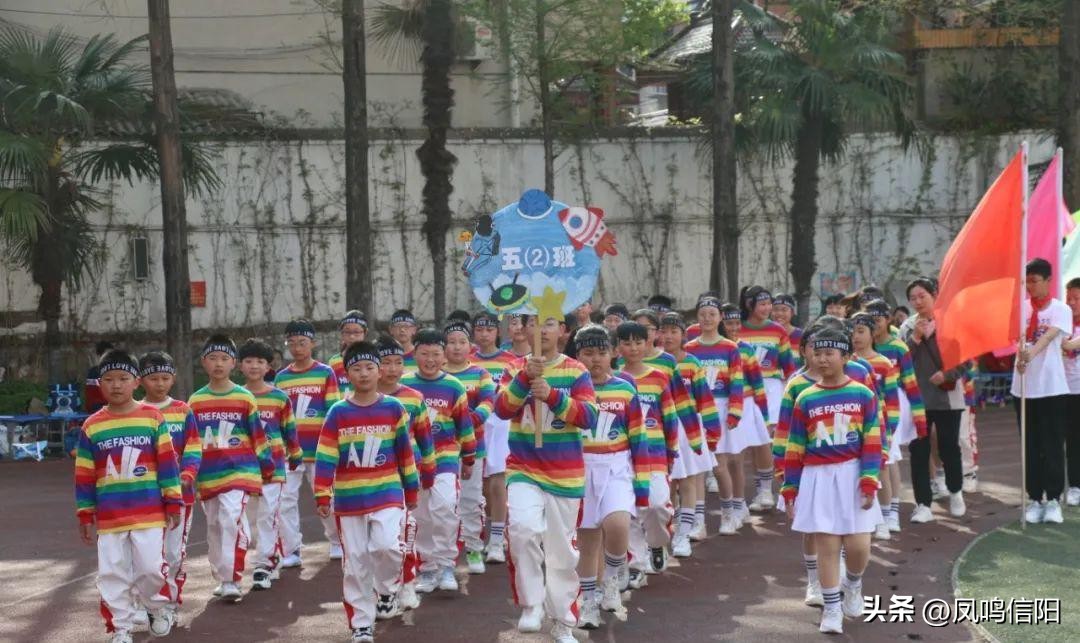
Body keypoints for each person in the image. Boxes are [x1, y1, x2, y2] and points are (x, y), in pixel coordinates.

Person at [493, 314, 597, 643]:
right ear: (524, 329)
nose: (542, 330)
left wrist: (552, 395)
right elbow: (501, 409)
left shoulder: (576, 370)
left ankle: (563, 621)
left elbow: (588, 416)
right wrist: (524, 379)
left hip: (564, 474)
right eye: (535, 323)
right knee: (522, 530)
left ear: (563, 331)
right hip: (524, 467)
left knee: (561, 552)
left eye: (550, 323)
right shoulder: (514, 368)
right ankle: (531, 603)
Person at [313, 340, 420, 643]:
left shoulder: (393, 408)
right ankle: (362, 622)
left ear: (379, 370)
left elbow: (404, 454)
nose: (364, 373)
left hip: (387, 493)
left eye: (370, 367)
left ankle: (386, 588)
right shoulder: (338, 412)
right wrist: (322, 493)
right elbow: (326, 455)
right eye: (356, 368)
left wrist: (411, 489)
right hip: (349, 500)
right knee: (356, 562)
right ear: (347, 374)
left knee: (387, 547)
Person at [75, 349, 183, 642]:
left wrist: (173, 500)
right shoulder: (92, 425)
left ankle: (157, 608)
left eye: (123, 378)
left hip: (149, 512)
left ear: (136, 381)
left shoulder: (152, 417)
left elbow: (167, 463)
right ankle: (120, 628)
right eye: (108, 379)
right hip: (110, 518)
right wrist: (85, 513)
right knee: (112, 574)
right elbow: (84, 474)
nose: (116, 384)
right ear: (100, 384)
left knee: (150, 569)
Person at [782, 328, 882, 635]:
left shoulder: (863, 394)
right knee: (826, 545)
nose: (822, 359)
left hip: (853, 472)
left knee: (859, 545)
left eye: (830, 353)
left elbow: (872, 441)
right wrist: (791, 489)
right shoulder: (805, 397)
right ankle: (832, 608)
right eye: (818, 353)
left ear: (846, 357)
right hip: (817, 475)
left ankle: (852, 583)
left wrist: (868, 480)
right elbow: (795, 445)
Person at [574, 324, 650, 628]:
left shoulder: (625, 388)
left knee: (618, 524)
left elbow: (639, 439)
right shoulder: (572, 391)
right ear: (577, 355)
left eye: (602, 352)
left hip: (617, 465)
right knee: (588, 539)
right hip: (580, 468)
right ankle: (589, 601)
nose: (596, 359)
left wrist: (642, 484)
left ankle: (614, 575)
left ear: (612, 353)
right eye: (588, 353)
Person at [188, 335, 274, 600]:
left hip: (240, 471)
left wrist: (266, 464)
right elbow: (190, 441)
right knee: (214, 526)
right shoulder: (195, 401)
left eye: (224, 359)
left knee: (231, 519)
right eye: (213, 358)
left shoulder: (244, 397)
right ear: (204, 362)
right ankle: (222, 574)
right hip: (208, 475)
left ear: (233, 363)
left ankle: (232, 578)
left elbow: (257, 434)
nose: (218, 364)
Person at [617, 320, 702, 569]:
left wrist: (673, 450)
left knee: (656, 505)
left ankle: (656, 542)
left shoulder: (659, 377)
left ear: (648, 343)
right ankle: (636, 562)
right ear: (618, 347)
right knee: (629, 509)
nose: (633, 348)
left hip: (655, 455)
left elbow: (670, 416)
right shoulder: (615, 379)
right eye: (626, 343)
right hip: (624, 456)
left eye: (638, 342)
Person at [401, 328, 477, 594]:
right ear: (415, 354)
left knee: (445, 506)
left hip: (445, 457)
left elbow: (464, 426)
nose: (430, 359)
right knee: (420, 513)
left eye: (435, 353)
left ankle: (447, 564)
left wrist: (468, 457)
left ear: (444, 355)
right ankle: (428, 567)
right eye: (424, 353)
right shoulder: (405, 385)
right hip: (416, 461)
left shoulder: (453, 386)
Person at [897, 279, 969, 524]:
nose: (918, 302)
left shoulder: (952, 321)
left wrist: (948, 375)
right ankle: (923, 504)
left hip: (947, 396)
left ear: (935, 295)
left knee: (949, 446)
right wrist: (915, 338)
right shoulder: (907, 327)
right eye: (913, 298)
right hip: (917, 399)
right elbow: (900, 361)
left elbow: (967, 357)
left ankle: (956, 491)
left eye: (922, 296)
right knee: (919, 451)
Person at [137, 351, 201, 617]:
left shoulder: (183, 410)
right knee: (145, 555)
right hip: (146, 498)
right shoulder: (136, 412)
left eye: (165, 377)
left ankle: (171, 602)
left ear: (173, 378)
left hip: (180, 497)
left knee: (174, 554)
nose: (159, 383)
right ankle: (145, 602)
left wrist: (187, 473)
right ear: (140, 380)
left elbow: (194, 447)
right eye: (153, 378)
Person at [274, 319, 343, 566]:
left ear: (312, 343)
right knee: (285, 501)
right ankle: (291, 550)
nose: (297, 347)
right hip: (290, 451)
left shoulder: (326, 373)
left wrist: (331, 447)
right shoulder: (281, 378)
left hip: (319, 450)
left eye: (302, 342)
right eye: (291, 342)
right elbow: (278, 415)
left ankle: (337, 541)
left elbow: (334, 411)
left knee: (327, 497)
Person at [375, 335, 435, 611]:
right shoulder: (360, 398)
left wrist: (429, 470)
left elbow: (425, 439)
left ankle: (408, 581)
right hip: (369, 480)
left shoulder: (414, 398)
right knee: (375, 542)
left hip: (404, 478)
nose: (393, 368)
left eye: (398, 362)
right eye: (385, 362)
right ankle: (381, 588)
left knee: (404, 531)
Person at [238, 338, 302, 590]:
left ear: (268, 367)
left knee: (268, 516)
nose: (254, 366)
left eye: (260, 362)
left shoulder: (279, 398)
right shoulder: (236, 397)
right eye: (249, 361)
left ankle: (264, 564)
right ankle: (251, 560)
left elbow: (289, 429)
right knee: (248, 520)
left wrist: (295, 453)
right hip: (243, 468)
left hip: (274, 467)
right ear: (240, 365)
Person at [1011, 258, 1071, 524]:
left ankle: (1054, 499)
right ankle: (1035, 498)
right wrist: (1020, 357)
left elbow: (1047, 338)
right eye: (1028, 282)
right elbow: (1016, 340)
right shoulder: (1020, 309)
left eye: (1035, 281)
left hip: (1051, 387)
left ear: (1048, 281)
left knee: (1053, 444)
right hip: (1024, 388)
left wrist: (1028, 355)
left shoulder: (1061, 309)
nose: (1031, 287)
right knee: (1031, 445)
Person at [658, 311, 724, 538]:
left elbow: (704, 398)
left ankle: (696, 523)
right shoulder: (653, 363)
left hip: (688, 428)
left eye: (673, 332)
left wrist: (711, 429)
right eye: (663, 331)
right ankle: (673, 526)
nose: (668, 336)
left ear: (683, 335)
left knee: (691, 475)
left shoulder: (691, 363)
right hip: (662, 427)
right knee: (669, 482)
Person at [684, 297, 745, 536]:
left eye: (712, 314)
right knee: (698, 468)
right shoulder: (689, 349)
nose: (707, 319)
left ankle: (728, 513)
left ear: (720, 317)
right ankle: (698, 522)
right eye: (702, 314)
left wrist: (735, 410)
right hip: (695, 411)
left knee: (720, 467)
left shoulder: (730, 348)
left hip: (720, 409)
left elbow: (737, 381)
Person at [442, 320, 496, 574]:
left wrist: (468, 421)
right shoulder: (437, 375)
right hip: (442, 451)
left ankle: (474, 547)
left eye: (462, 342)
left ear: (470, 346)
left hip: (474, 449)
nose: (456, 347)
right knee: (443, 504)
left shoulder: (479, 374)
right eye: (451, 342)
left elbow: (488, 402)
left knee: (471, 500)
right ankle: (444, 556)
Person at [869, 300, 927, 525]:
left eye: (878, 319)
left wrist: (919, 416)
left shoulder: (898, 347)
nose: (875, 324)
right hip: (868, 411)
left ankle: (892, 508)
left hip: (893, 407)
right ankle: (879, 507)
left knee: (890, 458)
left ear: (888, 320)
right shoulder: (862, 348)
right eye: (870, 320)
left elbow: (911, 382)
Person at [470, 311, 518, 562]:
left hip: (501, 424)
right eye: (479, 329)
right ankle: (488, 530)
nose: (485, 334)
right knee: (481, 483)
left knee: (498, 478)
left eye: (489, 329)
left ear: (497, 332)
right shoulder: (467, 361)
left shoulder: (510, 360)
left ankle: (498, 540)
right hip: (475, 425)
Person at [850, 313, 901, 539]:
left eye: (861, 331)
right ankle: (868, 518)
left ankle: (887, 518)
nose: (856, 337)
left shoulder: (883, 363)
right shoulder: (847, 364)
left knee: (882, 469)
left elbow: (891, 399)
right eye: (852, 332)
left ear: (872, 334)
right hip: (854, 425)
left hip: (878, 425)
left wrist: (890, 427)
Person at [721, 303, 774, 518]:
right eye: (728, 323)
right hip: (717, 408)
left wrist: (765, 416)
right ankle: (735, 502)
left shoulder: (746, 349)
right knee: (723, 461)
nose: (733, 328)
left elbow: (757, 383)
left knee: (737, 458)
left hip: (744, 407)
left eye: (736, 323)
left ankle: (739, 502)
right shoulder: (711, 349)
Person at [1063, 278, 1080, 506]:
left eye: (1077, 299)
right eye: (1070, 299)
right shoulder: (1062, 323)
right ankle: (1075, 486)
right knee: (1072, 440)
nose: (1073, 303)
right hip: (1065, 390)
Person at [328, 311, 369, 396]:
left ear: (365, 333)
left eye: (356, 332)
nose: (352, 336)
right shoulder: (334, 362)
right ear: (342, 334)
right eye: (347, 332)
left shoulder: (372, 360)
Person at [772, 294, 804, 367]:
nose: (779, 313)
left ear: (792, 313)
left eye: (784, 310)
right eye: (775, 309)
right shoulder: (766, 335)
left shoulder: (802, 336)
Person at [84, 340, 114, 413]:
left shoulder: (116, 371)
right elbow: (92, 395)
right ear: (99, 355)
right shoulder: (94, 372)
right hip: (98, 407)